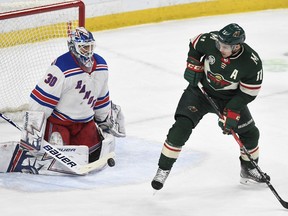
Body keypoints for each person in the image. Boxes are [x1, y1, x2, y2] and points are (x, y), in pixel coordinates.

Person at [151, 23, 270, 190]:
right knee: (181, 127)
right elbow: (194, 44)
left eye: (225, 47)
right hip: (199, 93)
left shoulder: (251, 62)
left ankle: (249, 169)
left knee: (250, 134)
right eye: (219, 44)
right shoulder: (210, 40)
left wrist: (232, 111)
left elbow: (248, 93)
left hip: (229, 99)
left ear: (237, 46)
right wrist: (193, 64)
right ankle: (163, 170)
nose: (220, 48)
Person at [29, 27, 125, 163]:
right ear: (73, 47)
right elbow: (40, 102)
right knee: (55, 160)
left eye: (90, 47)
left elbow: (101, 98)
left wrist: (104, 120)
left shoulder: (101, 65)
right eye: (84, 47)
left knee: (94, 155)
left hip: (85, 123)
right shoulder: (60, 67)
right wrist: (32, 132)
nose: (88, 51)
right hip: (60, 123)